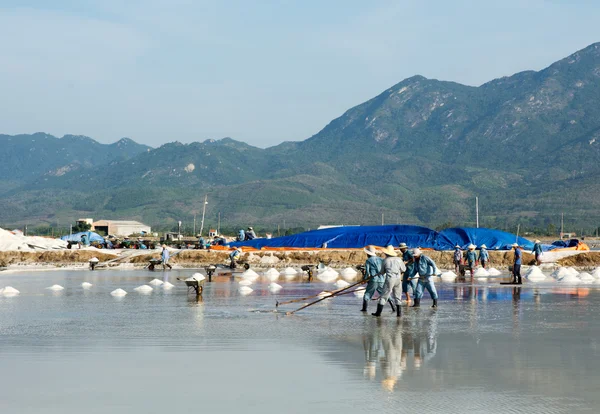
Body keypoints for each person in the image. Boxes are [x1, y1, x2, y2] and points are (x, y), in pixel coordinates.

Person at [372, 245, 405, 318]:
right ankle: (399, 314)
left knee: (384, 296)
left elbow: (382, 272)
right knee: (398, 296)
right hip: (398, 279)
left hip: (390, 279)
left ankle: (378, 313)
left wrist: (378, 274)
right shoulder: (399, 259)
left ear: (387, 253)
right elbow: (404, 269)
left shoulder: (385, 260)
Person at [361, 246, 384, 313]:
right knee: (384, 294)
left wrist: (364, 279)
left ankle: (364, 309)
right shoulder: (381, 259)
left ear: (368, 254)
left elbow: (367, 272)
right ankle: (394, 308)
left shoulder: (368, 260)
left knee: (367, 294)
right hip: (381, 280)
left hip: (373, 280)